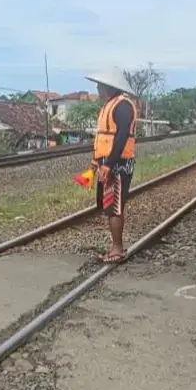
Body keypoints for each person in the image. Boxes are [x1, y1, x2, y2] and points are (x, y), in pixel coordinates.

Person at [84, 69, 138, 263]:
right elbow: (104, 139)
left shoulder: (123, 105)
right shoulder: (110, 105)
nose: (97, 88)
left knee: (115, 206)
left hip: (119, 164)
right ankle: (115, 246)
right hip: (108, 163)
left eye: (100, 85)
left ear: (109, 86)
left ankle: (117, 249)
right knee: (108, 205)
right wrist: (95, 163)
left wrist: (110, 164)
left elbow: (122, 136)